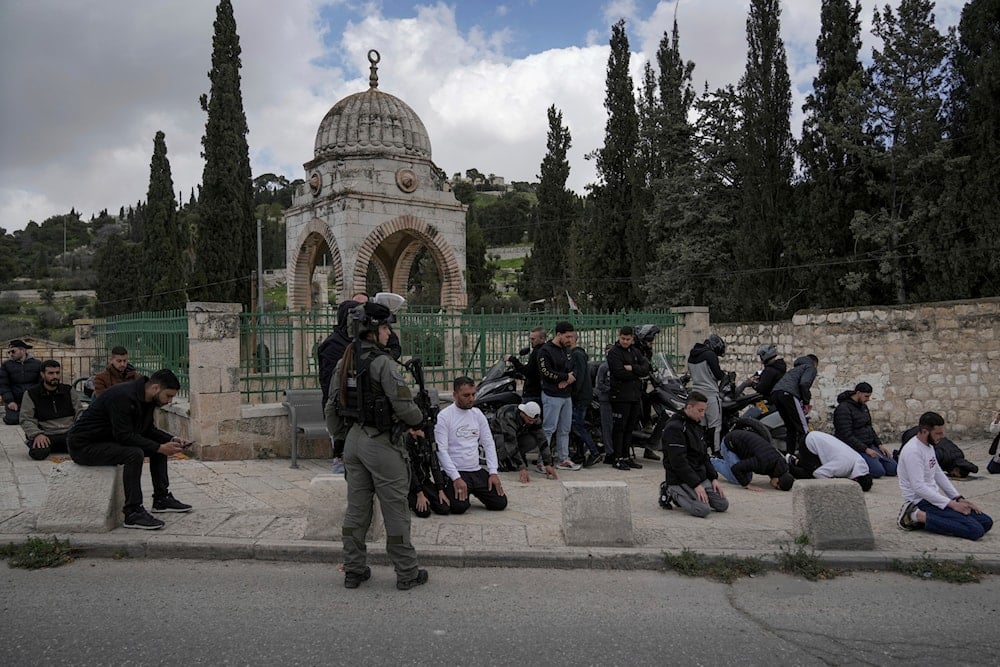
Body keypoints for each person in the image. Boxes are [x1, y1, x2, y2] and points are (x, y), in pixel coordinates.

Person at [325, 299, 429, 590]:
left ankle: (354, 569)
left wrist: (340, 442)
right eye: (385, 327)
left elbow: (331, 407)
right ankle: (407, 572)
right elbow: (406, 407)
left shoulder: (345, 360)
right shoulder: (383, 363)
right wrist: (419, 419)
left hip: (354, 442)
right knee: (395, 509)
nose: (388, 333)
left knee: (356, 510)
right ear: (373, 330)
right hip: (382, 443)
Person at [67, 369, 193, 530]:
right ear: (155, 388)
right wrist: (160, 447)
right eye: (168, 395)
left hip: (108, 441)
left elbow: (147, 430)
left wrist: (172, 440)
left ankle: (161, 499)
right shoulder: (122, 396)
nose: (169, 401)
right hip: (84, 446)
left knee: (157, 447)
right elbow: (124, 436)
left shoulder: (148, 399)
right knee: (134, 453)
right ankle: (132, 512)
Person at [319, 293, 401, 475]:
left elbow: (395, 347)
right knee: (347, 468)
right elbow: (332, 387)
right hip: (346, 414)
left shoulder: (366, 347)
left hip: (367, 417)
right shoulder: (335, 346)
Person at [896, 412, 993, 541]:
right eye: (938, 433)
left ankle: (933, 520)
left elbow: (937, 473)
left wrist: (958, 498)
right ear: (925, 431)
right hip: (920, 501)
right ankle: (916, 516)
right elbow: (918, 487)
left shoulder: (929, 446)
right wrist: (951, 505)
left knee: (986, 522)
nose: (942, 436)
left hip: (933, 499)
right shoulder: (913, 451)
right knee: (975, 530)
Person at [435, 377, 508, 512]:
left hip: (475, 469)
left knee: (500, 503)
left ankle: (472, 490)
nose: (471, 399)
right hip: (455, 471)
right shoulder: (444, 416)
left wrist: (493, 472)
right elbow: (441, 451)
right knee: (458, 507)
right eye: (466, 395)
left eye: (473, 394)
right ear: (455, 395)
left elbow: (488, 443)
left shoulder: (477, 414)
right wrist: (455, 477)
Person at [661, 391, 729, 517]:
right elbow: (679, 462)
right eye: (700, 410)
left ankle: (692, 492)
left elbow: (704, 455)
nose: (702, 415)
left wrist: (713, 477)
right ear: (689, 407)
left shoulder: (696, 426)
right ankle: (670, 490)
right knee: (702, 509)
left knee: (722, 505)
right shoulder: (674, 428)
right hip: (680, 478)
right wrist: (696, 485)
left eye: (704, 411)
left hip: (698, 475)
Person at [20, 360, 86, 460]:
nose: (55, 376)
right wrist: (37, 434)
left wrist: (79, 430)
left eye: (57, 373)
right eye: (51, 373)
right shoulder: (31, 393)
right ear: (42, 374)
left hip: (69, 433)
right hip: (46, 435)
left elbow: (79, 412)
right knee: (38, 453)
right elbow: (26, 418)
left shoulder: (68, 390)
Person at [606, 326, 650, 471]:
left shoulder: (635, 351)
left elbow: (646, 368)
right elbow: (618, 373)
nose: (625, 341)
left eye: (628, 339)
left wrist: (632, 368)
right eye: (623, 338)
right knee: (620, 428)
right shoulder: (614, 353)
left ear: (632, 339)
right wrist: (637, 372)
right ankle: (617, 458)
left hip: (634, 396)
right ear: (619, 337)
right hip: (620, 396)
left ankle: (626, 456)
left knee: (630, 428)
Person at [538, 321, 579, 471]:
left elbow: (575, 368)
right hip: (551, 395)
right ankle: (543, 461)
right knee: (548, 429)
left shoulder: (567, 351)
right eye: (567, 337)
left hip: (566, 396)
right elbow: (546, 372)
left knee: (565, 429)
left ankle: (563, 458)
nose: (570, 340)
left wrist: (569, 378)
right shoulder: (545, 351)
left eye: (572, 337)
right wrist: (563, 377)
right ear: (558, 335)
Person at [833, 382, 897, 478]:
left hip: (869, 444)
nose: (868, 400)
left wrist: (879, 445)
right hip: (855, 447)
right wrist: (866, 450)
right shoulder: (843, 409)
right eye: (866, 396)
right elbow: (846, 435)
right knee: (878, 472)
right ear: (858, 393)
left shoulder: (863, 407)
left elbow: (869, 427)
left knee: (893, 468)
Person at [489, 401, 558, 482]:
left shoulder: (534, 419)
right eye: (529, 420)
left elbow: (542, 439)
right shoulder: (508, 416)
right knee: (504, 452)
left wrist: (548, 463)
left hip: (518, 433)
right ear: (523, 414)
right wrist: (521, 467)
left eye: (533, 421)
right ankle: (502, 459)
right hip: (499, 433)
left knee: (532, 440)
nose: (532, 423)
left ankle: (517, 458)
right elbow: (510, 442)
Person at [710, 427, 795, 492]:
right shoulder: (763, 463)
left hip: (741, 445)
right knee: (736, 479)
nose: (774, 487)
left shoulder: (779, 464)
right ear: (778, 479)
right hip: (729, 444)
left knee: (746, 476)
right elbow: (736, 468)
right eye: (777, 486)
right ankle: (712, 461)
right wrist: (747, 485)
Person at [787, 431, 873, 491]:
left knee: (817, 466)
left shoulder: (859, 460)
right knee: (810, 475)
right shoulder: (844, 466)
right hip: (809, 443)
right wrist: (834, 483)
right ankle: (788, 466)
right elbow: (818, 473)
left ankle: (796, 460)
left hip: (816, 438)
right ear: (856, 480)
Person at [770, 354, 819, 457]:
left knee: (791, 428)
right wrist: (806, 402)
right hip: (788, 395)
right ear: (815, 363)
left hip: (776, 394)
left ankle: (789, 456)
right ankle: (807, 456)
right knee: (803, 427)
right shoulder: (810, 367)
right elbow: (804, 384)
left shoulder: (795, 369)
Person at [687, 334, 727, 453]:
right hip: (710, 393)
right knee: (715, 425)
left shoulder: (692, 354)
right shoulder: (710, 355)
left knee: (701, 424)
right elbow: (718, 375)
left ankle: (701, 450)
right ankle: (716, 451)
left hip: (696, 393)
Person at [568, 331, 602, 467]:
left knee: (577, 425)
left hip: (580, 397)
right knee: (576, 425)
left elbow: (580, 376)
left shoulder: (577, 354)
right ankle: (580, 454)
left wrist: (575, 393)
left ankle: (594, 452)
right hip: (581, 396)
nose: (568, 340)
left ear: (575, 339)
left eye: (571, 337)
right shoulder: (575, 354)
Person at [633, 324, 662, 462]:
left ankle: (649, 447)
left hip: (644, 385)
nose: (651, 343)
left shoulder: (647, 351)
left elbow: (651, 366)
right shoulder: (635, 350)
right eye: (649, 341)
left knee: (651, 398)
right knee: (639, 410)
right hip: (634, 387)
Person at [405, 432, 450, 518]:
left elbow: (434, 465)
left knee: (444, 508)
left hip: (425, 481)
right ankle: (409, 499)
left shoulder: (426, 437)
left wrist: (440, 490)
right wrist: (419, 494)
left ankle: (427, 496)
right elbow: (409, 470)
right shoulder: (406, 439)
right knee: (424, 512)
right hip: (410, 484)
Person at [1, 339, 42, 425]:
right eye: (9, 352)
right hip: (15, 400)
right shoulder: (6, 365)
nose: (11, 354)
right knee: (13, 420)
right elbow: (3, 384)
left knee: (40, 418)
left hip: (32, 399)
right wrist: (10, 401)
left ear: (23, 350)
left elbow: (41, 383)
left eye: (13, 351)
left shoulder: (37, 364)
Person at [509, 326, 546, 405]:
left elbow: (528, 371)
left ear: (542, 339)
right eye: (530, 339)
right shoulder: (544, 350)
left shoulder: (537, 352)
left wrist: (514, 360)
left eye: (533, 339)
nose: (531, 341)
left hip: (533, 392)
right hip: (539, 390)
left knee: (525, 414)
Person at [594, 346, 615, 462]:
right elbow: (599, 384)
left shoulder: (617, 366)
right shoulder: (604, 367)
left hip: (617, 400)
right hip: (605, 400)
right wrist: (611, 390)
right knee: (607, 427)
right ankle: (609, 452)